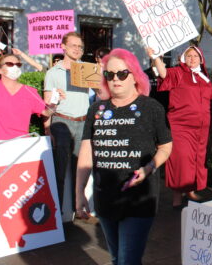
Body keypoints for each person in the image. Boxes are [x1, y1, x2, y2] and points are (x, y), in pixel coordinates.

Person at [75, 48, 172, 265]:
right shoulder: (96, 110)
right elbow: (86, 151)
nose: (115, 79)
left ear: (135, 75)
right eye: (109, 75)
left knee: (128, 260)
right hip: (105, 197)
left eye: (122, 73)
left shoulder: (151, 108)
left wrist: (149, 168)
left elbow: (166, 146)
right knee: (117, 257)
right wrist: (79, 192)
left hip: (138, 199)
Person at [149, 44, 212, 207]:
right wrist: (156, 57)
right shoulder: (178, 72)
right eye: (189, 56)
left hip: (201, 129)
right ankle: (177, 198)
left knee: (196, 161)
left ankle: (191, 191)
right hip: (181, 127)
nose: (192, 59)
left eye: (195, 56)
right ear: (184, 58)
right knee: (181, 161)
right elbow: (163, 73)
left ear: (201, 59)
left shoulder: (204, 78)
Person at [44, 32, 90, 205]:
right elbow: (47, 104)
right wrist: (48, 128)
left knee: (81, 170)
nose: (77, 49)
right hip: (62, 123)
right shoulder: (53, 73)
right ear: (63, 46)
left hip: (83, 121)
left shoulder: (87, 70)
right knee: (59, 170)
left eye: (80, 46)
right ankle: (56, 214)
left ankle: (79, 208)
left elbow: (101, 95)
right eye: (73, 45)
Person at [0, 45, 60, 140]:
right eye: (10, 64)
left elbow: (46, 112)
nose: (15, 67)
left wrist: (55, 102)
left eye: (18, 65)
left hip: (22, 146)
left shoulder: (29, 91)